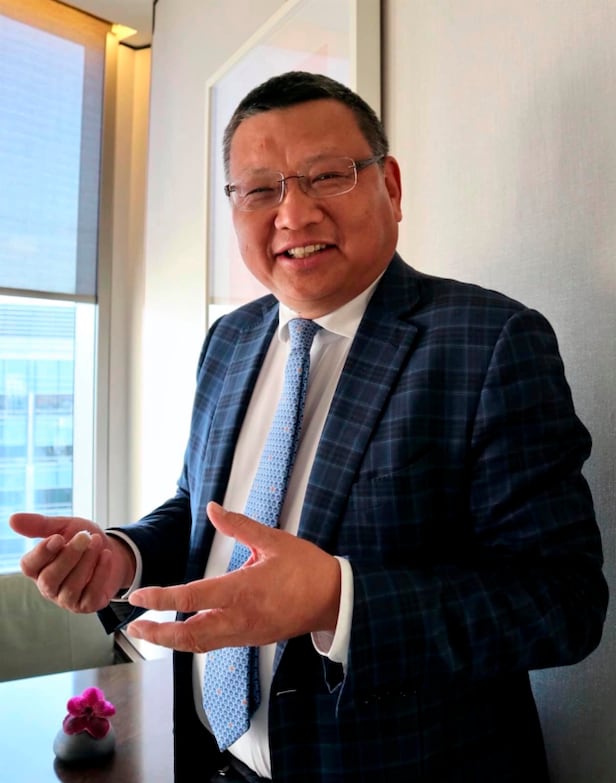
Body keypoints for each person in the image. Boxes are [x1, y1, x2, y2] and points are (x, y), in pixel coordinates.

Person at [10, 71, 608, 783]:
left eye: (326, 176)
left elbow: (563, 603)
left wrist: (337, 598)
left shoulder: (490, 341)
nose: (293, 215)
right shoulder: (229, 340)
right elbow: (203, 514)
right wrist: (123, 556)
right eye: (260, 190)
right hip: (216, 761)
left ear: (390, 186)